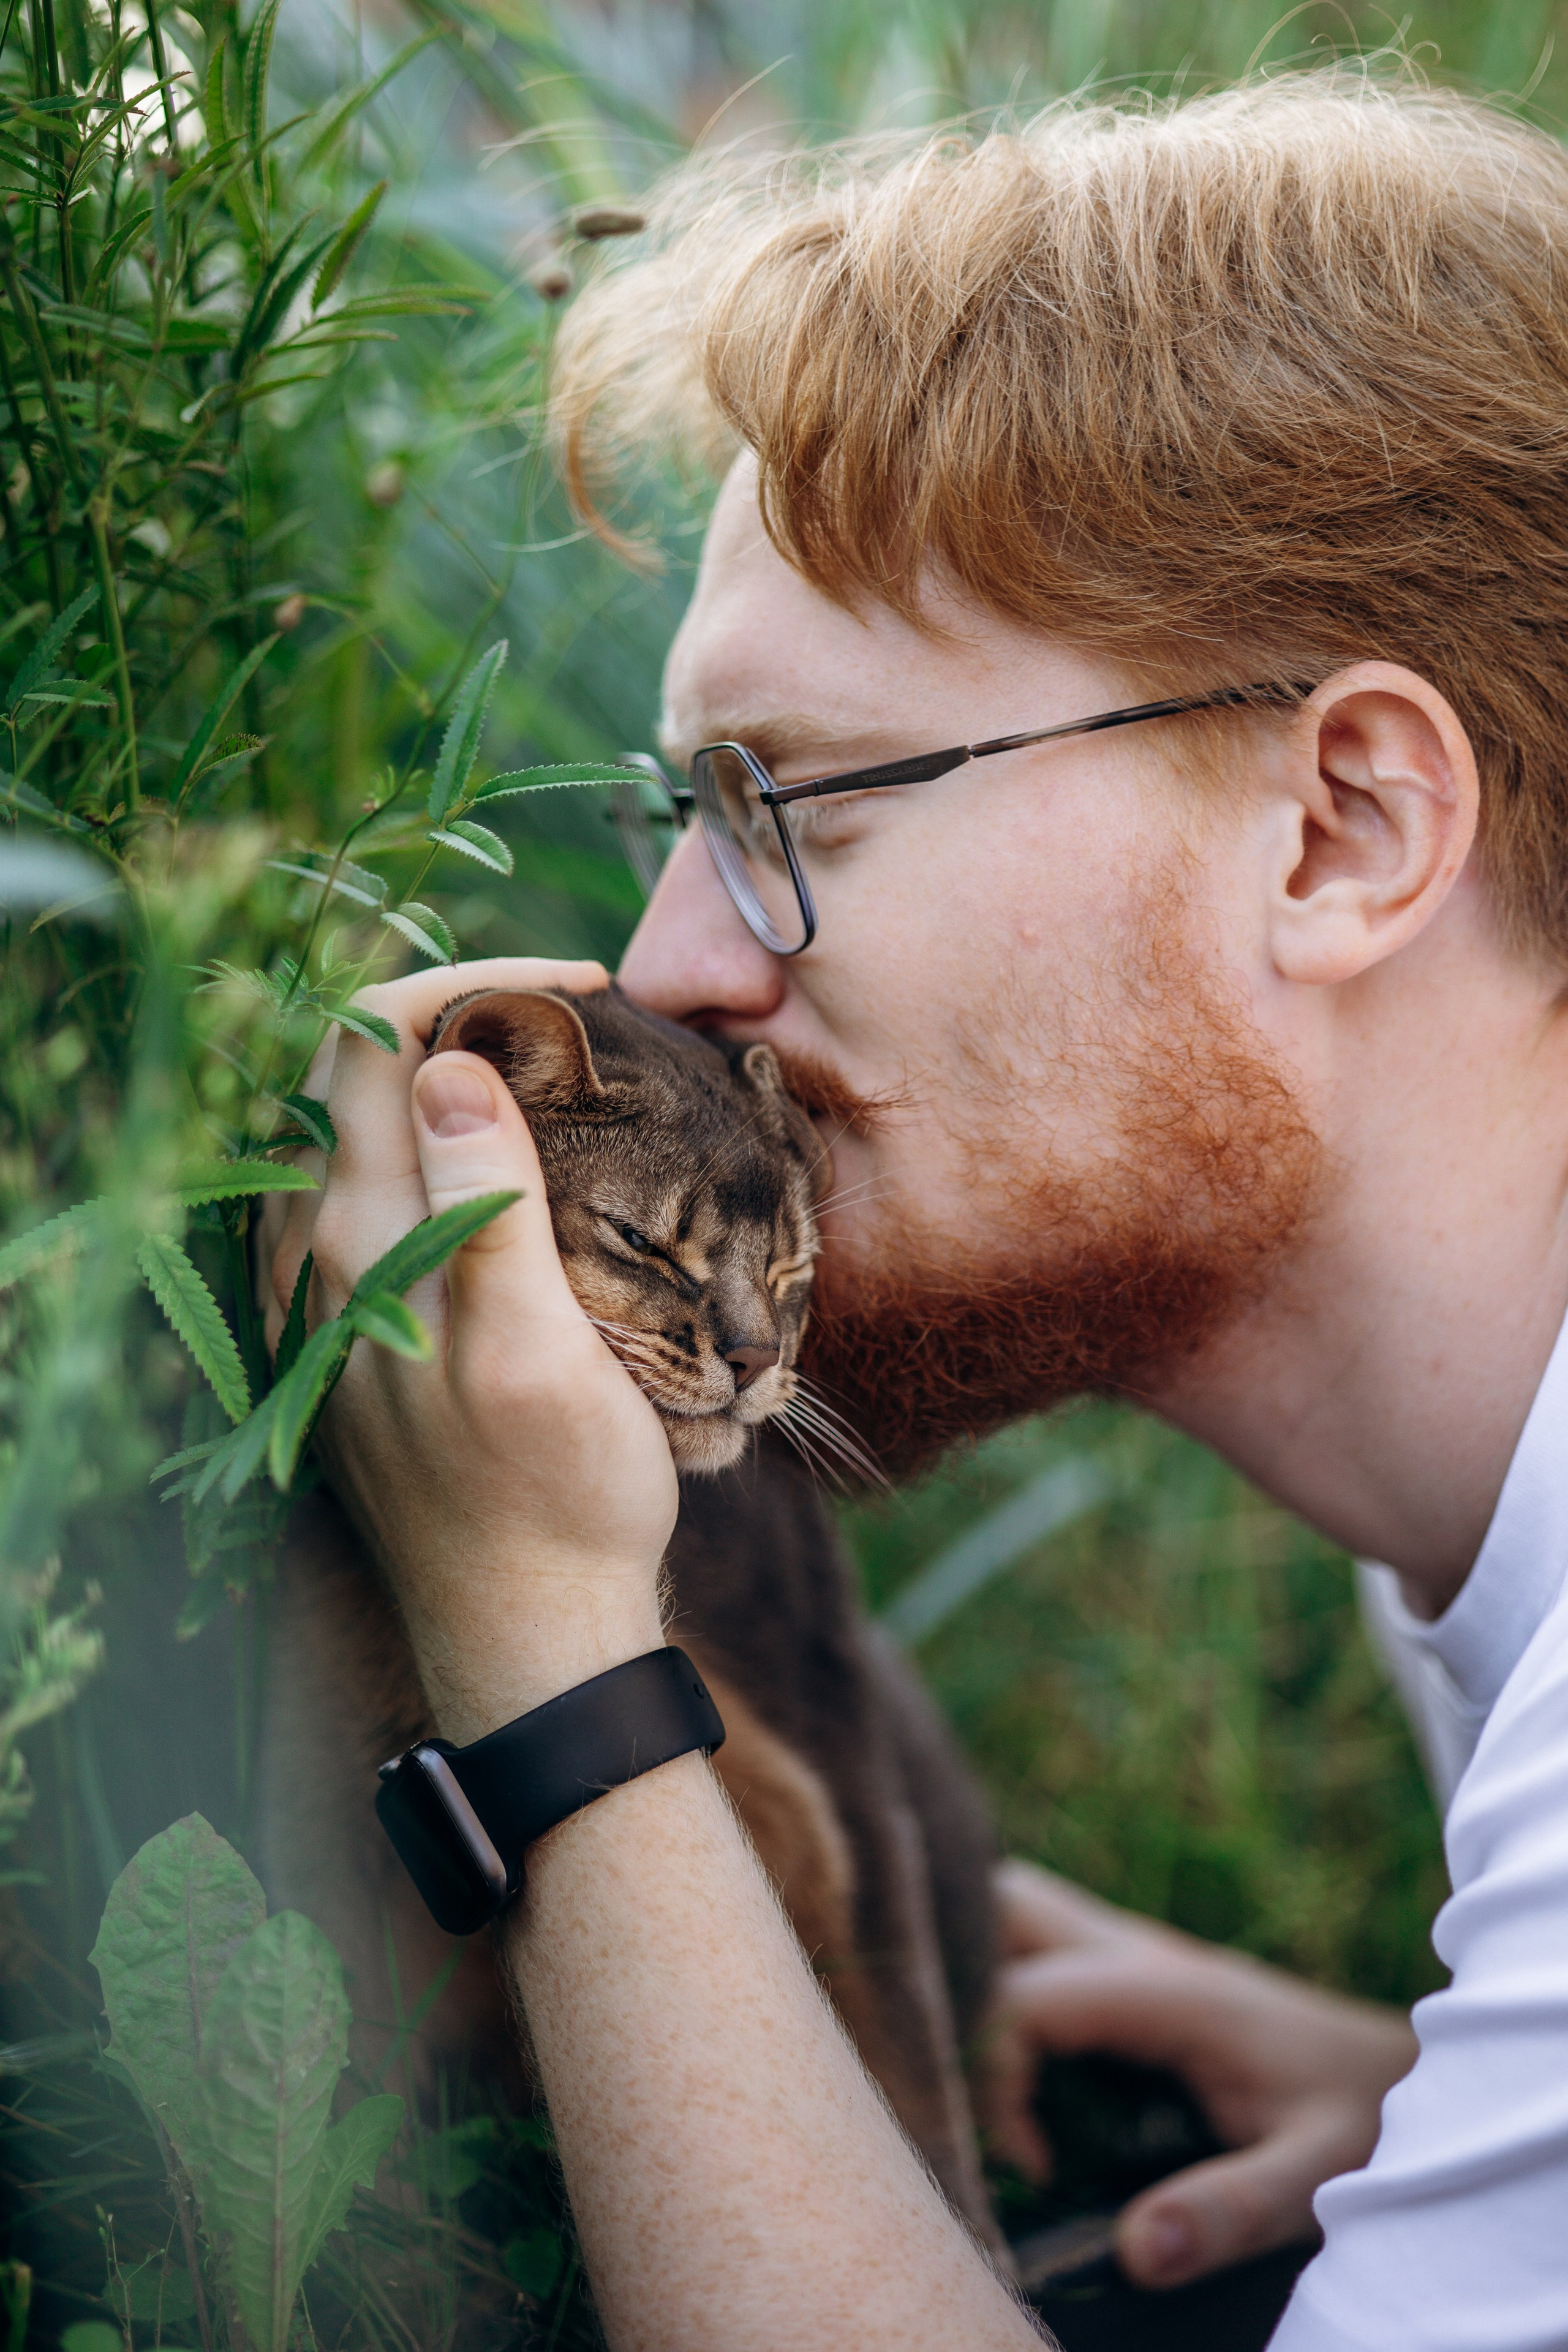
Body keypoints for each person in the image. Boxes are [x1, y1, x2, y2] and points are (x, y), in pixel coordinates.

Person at [270, 73, 1568, 2351]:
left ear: (1346, 830)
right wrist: (1451, 2141)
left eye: (795, 805)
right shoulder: (1458, 1524)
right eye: (690, 813)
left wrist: (541, 1648)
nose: (676, 959)